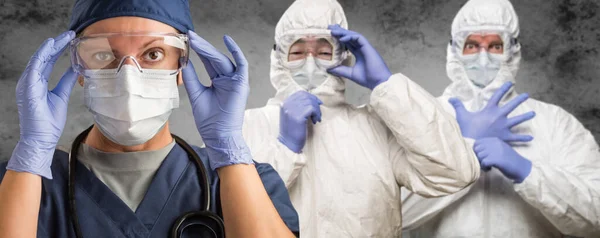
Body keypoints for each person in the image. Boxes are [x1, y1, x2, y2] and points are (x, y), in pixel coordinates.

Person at [0, 0, 299, 237]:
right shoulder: (19, 183)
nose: (128, 76)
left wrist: (229, 150)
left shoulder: (249, 181)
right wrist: (32, 151)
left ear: (182, 66)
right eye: (104, 55)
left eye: (153, 54)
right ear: (80, 70)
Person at [241, 0, 481, 236]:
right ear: (278, 56)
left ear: (343, 56)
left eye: (324, 52)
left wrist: (386, 86)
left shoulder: (377, 128)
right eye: (297, 51)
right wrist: (284, 149)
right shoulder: (246, 127)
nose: (310, 63)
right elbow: (230, 214)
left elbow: (454, 174)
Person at [401, 0, 600, 237]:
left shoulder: (554, 123)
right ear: (454, 50)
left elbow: (594, 218)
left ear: (513, 50)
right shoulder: (420, 117)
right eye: (472, 45)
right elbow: (390, 213)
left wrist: (528, 172)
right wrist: (464, 154)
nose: (483, 58)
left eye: (495, 46)